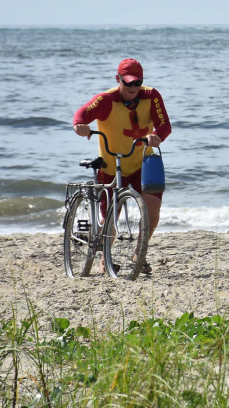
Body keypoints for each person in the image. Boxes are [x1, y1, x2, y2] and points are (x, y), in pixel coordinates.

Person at [73, 58, 171, 274]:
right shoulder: (106, 100)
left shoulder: (151, 96)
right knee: (110, 218)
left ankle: (139, 253)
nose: (133, 87)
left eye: (137, 83)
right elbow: (83, 112)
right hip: (111, 166)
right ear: (118, 79)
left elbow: (164, 124)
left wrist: (156, 135)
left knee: (153, 205)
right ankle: (104, 258)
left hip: (143, 162)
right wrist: (80, 125)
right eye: (128, 83)